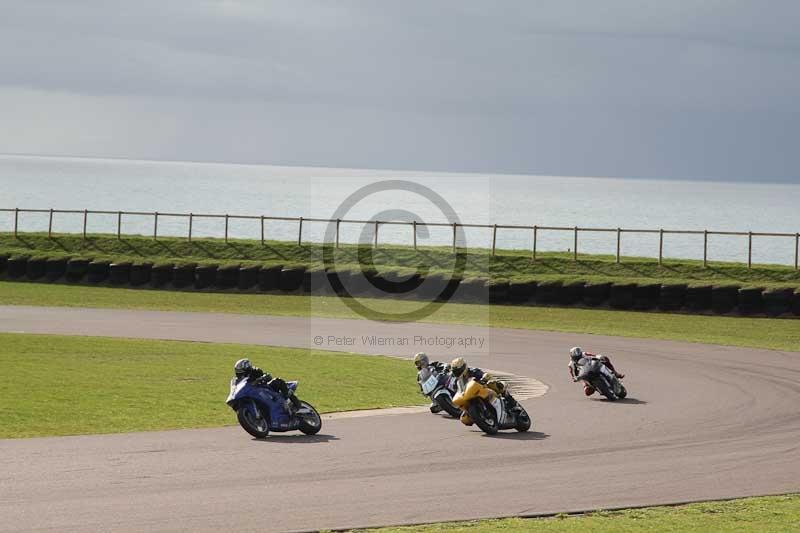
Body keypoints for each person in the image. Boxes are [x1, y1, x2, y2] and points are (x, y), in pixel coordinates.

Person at [450, 357, 520, 411]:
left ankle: (513, 404)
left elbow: (484, 375)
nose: (457, 373)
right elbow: (458, 391)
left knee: (494, 384)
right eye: (455, 371)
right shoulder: (458, 381)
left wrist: (484, 378)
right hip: (470, 396)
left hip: (483, 388)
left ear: (463, 367)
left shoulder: (473, 371)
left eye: (458, 371)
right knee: (464, 419)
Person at [234, 358, 302, 411]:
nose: (240, 374)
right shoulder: (237, 380)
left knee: (278, 381)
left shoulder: (256, 371)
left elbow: (268, 375)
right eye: (238, 372)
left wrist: (261, 378)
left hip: (265, 388)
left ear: (247, 369)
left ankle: (296, 404)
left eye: (241, 372)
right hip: (252, 393)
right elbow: (235, 387)